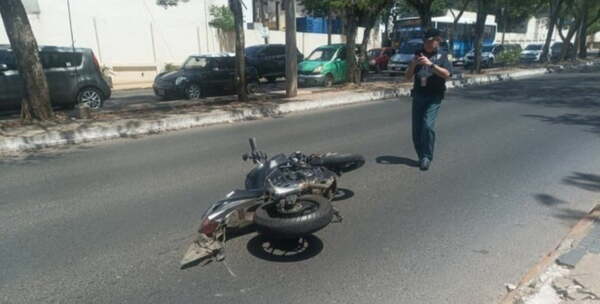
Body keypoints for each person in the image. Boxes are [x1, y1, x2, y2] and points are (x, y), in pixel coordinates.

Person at [405, 28, 452, 171]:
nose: (427, 44)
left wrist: (430, 65)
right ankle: (421, 156)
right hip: (418, 94)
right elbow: (407, 77)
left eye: (431, 41)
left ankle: (427, 156)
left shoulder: (443, 55)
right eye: (425, 41)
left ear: (438, 41)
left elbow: (447, 74)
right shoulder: (418, 54)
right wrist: (413, 64)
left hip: (434, 95)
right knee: (417, 129)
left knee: (427, 125)